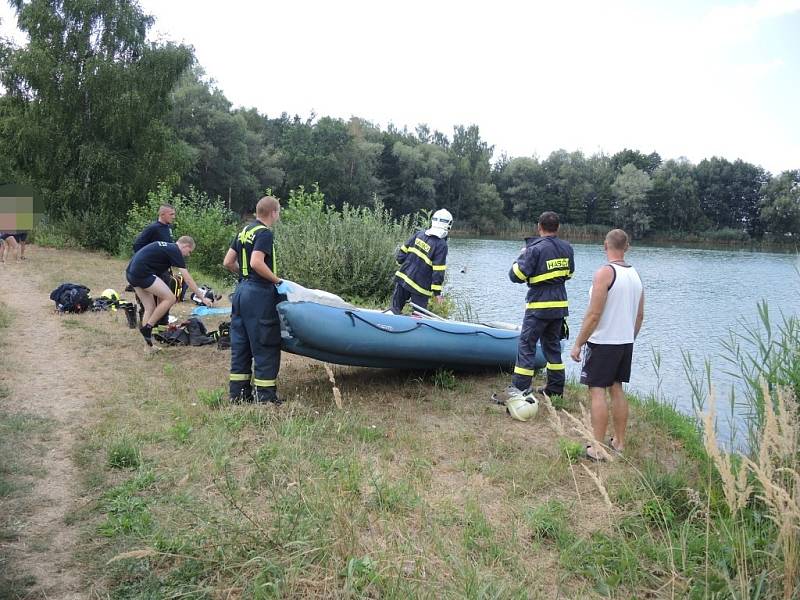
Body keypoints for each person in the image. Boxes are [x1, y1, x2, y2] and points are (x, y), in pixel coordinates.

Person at [569, 229, 644, 460]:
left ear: (605, 245)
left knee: (597, 391)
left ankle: (597, 447)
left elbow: (594, 313)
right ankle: (619, 442)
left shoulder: (605, 273)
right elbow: (639, 315)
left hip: (603, 342)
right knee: (617, 387)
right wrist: (629, 337)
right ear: (627, 247)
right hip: (625, 341)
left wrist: (578, 343)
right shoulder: (635, 275)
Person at [492, 211, 575, 417]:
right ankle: (555, 390)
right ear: (558, 228)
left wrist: (521, 255)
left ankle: (520, 390)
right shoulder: (567, 248)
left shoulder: (534, 249)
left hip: (538, 307)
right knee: (552, 348)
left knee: (527, 346)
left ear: (540, 227)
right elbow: (569, 274)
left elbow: (516, 275)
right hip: (559, 307)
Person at [223, 196, 286, 405]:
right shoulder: (264, 233)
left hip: (241, 291)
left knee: (241, 343)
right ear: (273, 213)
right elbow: (257, 262)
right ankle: (266, 399)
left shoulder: (244, 231)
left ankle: (239, 395)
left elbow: (228, 262)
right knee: (264, 342)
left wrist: (245, 277)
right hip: (259, 293)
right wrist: (277, 281)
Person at [125, 236, 212, 349]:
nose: (187, 255)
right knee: (171, 298)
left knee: (150, 308)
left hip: (131, 273)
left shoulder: (166, 248)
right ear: (185, 246)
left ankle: (148, 346)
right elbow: (188, 279)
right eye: (189, 252)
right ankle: (148, 327)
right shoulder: (175, 251)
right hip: (142, 273)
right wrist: (202, 297)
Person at [391, 208, 452, 314]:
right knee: (419, 317)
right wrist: (437, 293)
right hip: (420, 288)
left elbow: (401, 253)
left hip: (403, 279)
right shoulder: (441, 245)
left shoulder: (419, 234)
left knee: (394, 310)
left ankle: (387, 327)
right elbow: (438, 270)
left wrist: (402, 264)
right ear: (448, 225)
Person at [131, 205, 178, 326]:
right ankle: (147, 324)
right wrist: (146, 261)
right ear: (162, 214)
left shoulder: (168, 228)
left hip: (163, 269)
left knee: (166, 297)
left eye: (174, 214)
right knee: (149, 301)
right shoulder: (153, 228)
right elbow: (137, 245)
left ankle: (162, 323)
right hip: (150, 270)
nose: (174, 216)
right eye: (171, 214)